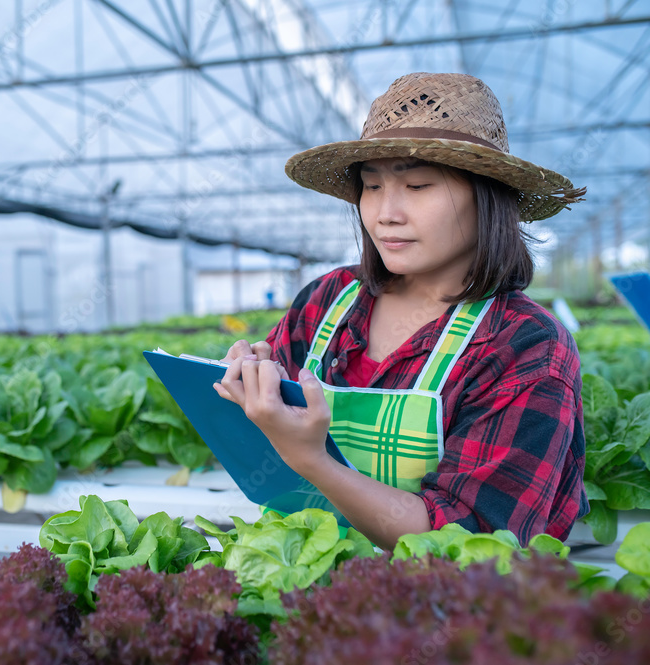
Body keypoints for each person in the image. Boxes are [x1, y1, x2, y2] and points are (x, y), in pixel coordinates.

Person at [214, 72, 588, 551]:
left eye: (417, 185)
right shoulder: (328, 300)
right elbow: (262, 446)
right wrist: (242, 390)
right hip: (296, 579)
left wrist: (314, 461)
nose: (385, 213)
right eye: (371, 187)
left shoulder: (525, 345)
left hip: (438, 616)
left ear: (487, 196)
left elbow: (473, 543)